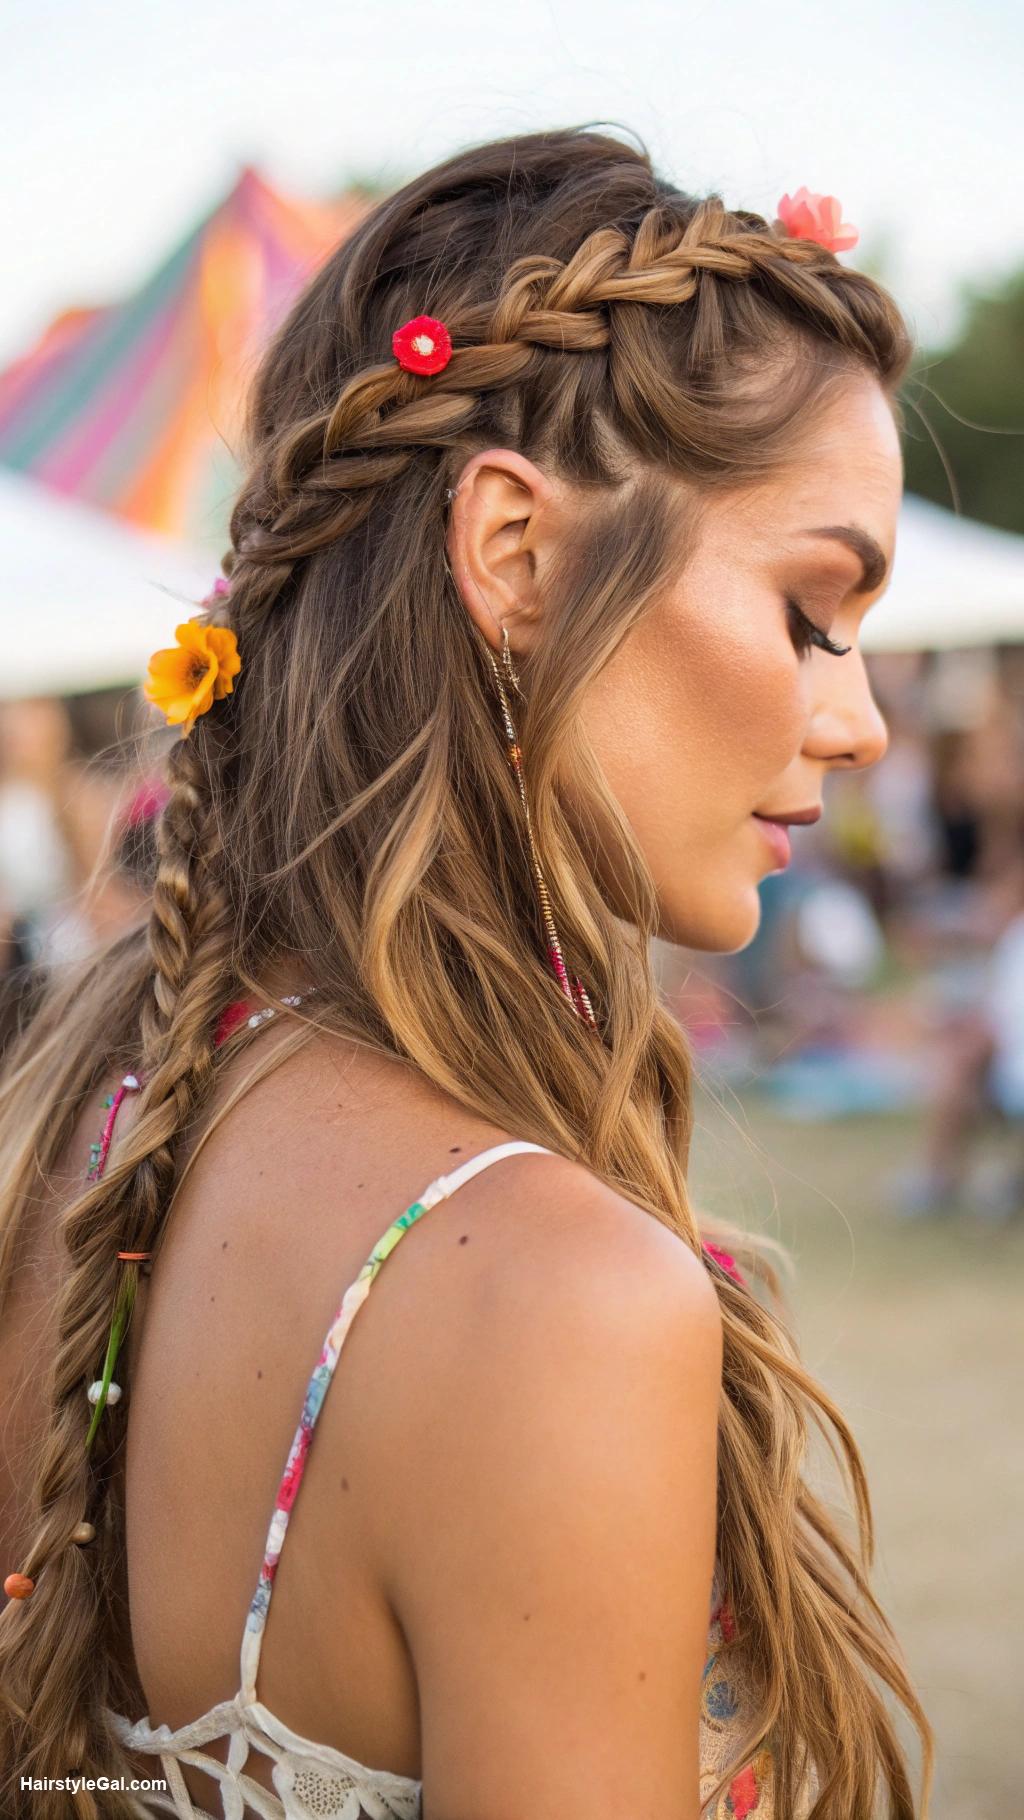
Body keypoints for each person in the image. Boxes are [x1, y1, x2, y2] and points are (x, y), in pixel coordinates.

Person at [0, 128, 933, 1819]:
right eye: (813, 610)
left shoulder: (82, 1097)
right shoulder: (555, 1300)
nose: (859, 717)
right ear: (514, 552)